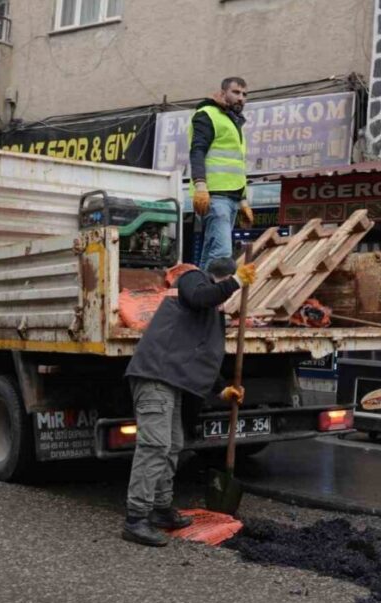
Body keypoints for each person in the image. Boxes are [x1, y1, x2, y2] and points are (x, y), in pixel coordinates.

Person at [120, 256, 257, 547]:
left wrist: (222, 390)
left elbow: (202, 355)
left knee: (172, 445)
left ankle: (160, 509)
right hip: (155, 376)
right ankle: (136, 519)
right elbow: (200, 296)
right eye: (228, 286)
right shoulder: (193, 280)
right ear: (223, 278)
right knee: (155, 445)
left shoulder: (210, 315)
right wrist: (236, 282)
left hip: (172, 382)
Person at [190, 77, 253, 273]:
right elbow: (197, 151)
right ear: (223, 93)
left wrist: (243, 201)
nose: (241, 98)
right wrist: (200, 185)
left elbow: (237, 165)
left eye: (244, 94)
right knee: (222, 254)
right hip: (214, 195)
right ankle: (213, 292)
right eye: (236, 92)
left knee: (211, 251)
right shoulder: (207, 114)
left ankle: (199, 289)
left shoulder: (234, 122)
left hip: (231, 197)